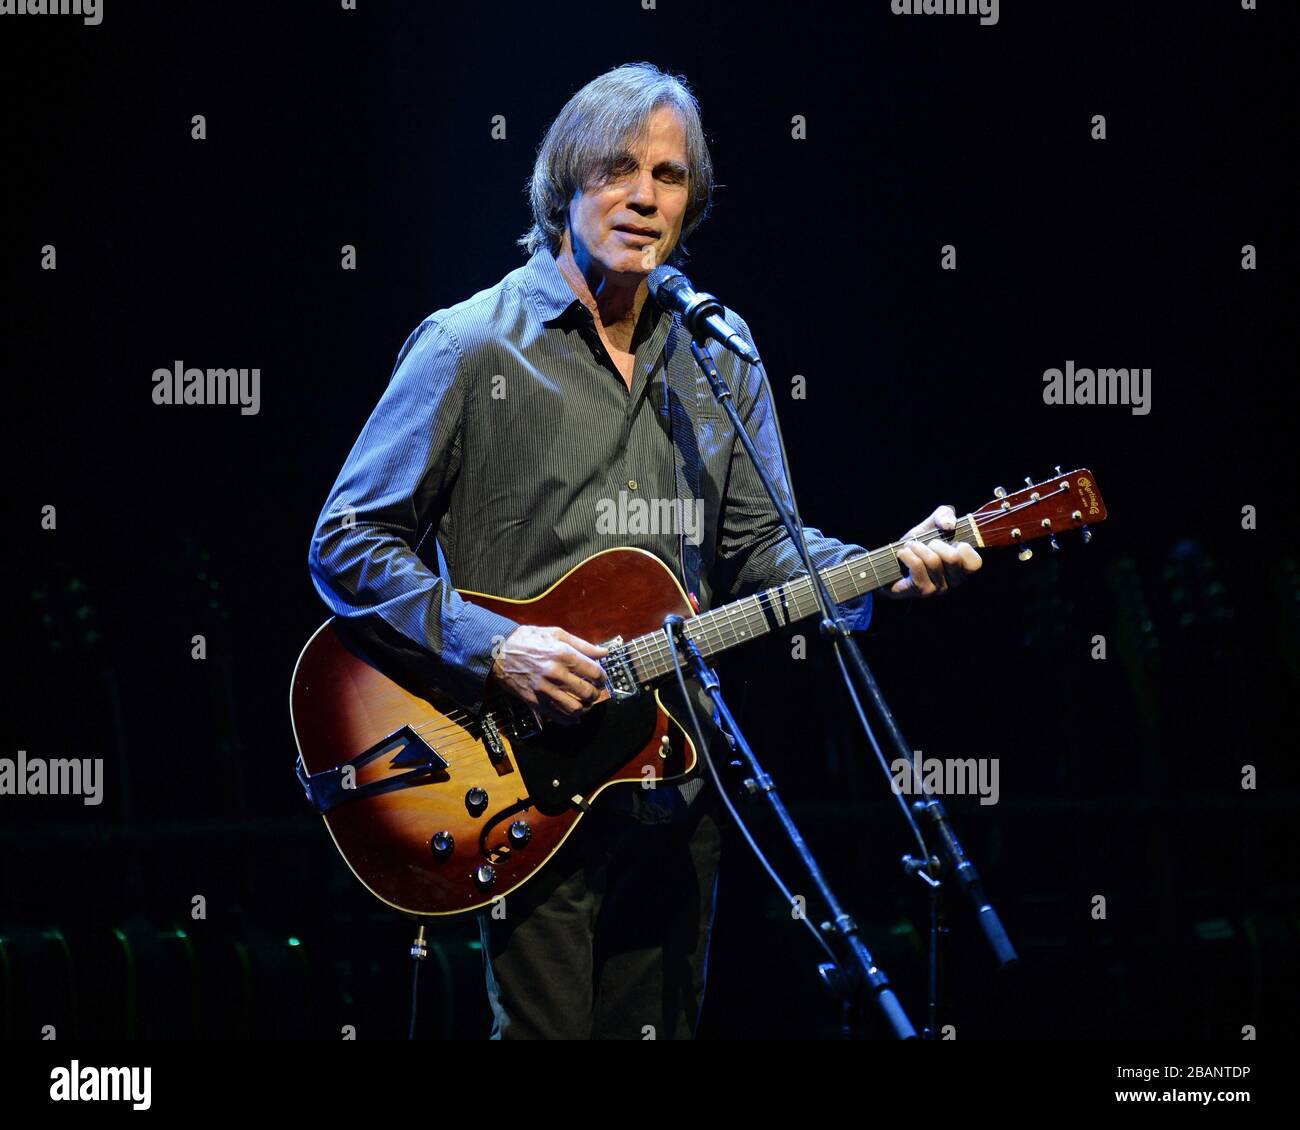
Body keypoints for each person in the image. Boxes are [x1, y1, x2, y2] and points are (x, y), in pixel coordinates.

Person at [308, 62, 981, 1040]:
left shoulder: (718, 350)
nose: (643, 195)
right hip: (512, 787)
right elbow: (345, 540)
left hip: (672, 782)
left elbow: (760, 548)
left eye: (668, 176)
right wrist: (498, 644)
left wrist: (890, 561)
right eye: (617, 168)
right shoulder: (471, 346)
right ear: (563, 186)